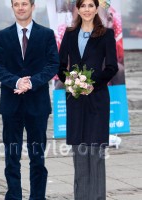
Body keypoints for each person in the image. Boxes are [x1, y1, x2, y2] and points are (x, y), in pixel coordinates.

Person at [0, 0, 59, 199]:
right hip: (11, 105)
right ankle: (14, 196)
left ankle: (38, 196)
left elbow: (52, 64)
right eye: (17, 4)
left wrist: (31, 83)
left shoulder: (46, 34)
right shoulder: (3, 36)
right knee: (12, 157)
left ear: (32, 6)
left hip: (37, 104)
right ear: (12, 7)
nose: (21, 7)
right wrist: (16, 81)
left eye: (24, 4)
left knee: (37, 157)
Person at [57, 0, 118, 199]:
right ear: (78, 8)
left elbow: (111, 67)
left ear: (96, 8)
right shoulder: (70, 33)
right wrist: (72, 82)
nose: (87, 10)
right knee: (80, 153)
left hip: (98, 99)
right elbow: (60, 65)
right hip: (75, 100)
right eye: (83, 6)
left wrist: (92, 84)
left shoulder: (106, 34)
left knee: (97, 154)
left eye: (90, 5)